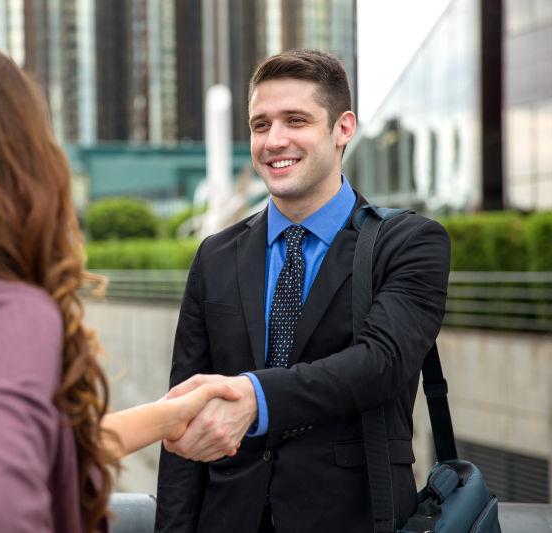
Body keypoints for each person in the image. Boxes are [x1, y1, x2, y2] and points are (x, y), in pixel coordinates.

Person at [0, 33, 239, 533]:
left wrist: (169, 415)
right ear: (16, 161)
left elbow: (31, 451)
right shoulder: (7, 313)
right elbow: (1, 512)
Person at [155, 49, 451, 532]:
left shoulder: (409, 242)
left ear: (343, 129)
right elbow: (185, 412)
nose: (274, 140)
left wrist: (255, 398)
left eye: (296, 120)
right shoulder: (215, 254)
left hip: (354, 520)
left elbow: (381, 364)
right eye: (259, 124)